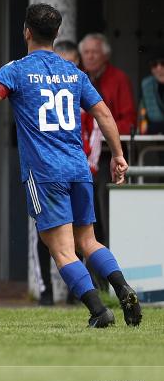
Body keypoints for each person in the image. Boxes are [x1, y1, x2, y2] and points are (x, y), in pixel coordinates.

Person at [0, 3, 141, 329]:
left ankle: (99, 311)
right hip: (78, 167)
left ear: (26, 31)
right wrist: (118, 155)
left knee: (61, 249)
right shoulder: (74, 72)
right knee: (88, 241)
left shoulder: (15, 71)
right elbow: (103, 114)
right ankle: (122, 287)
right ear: (56, 34)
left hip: (45, 174)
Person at [78, 33, 135, 248]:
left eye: (95, 52)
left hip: (108, 155)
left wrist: (100, 129)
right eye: (86, 52)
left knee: (105, 208)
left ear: (105, 55)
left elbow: (129, 120)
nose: (90, 57)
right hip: (81, 156)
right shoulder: (79, 77)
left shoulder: (118, 79)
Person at [139, 49, 164, 135]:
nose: (159, 68)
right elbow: (142, 112)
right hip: (154, 134)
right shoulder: (146, 84)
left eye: (163, 63)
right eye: (154, 65)